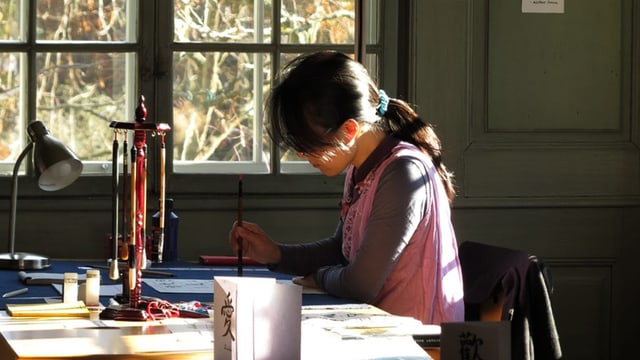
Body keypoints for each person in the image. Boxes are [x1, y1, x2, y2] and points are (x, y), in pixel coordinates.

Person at [229, 51, 464, 324]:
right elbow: (342, 250)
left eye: (308, 145)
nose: (301, 155)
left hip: (417, 341)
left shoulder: (403, 173)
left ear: (349, 130)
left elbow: (361, 284)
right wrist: (276, 253)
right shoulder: (360, 167)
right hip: (378, 327)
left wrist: (319, 277)